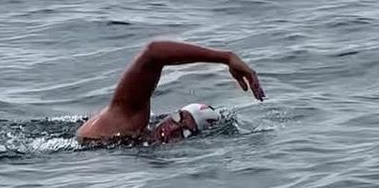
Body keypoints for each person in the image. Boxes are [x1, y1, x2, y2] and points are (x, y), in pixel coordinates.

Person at [76, 40, 264, 144]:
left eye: (186, 132)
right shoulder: (129, 119)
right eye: (177, 118)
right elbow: (153, 53)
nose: (174, 128)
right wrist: (226, 57)